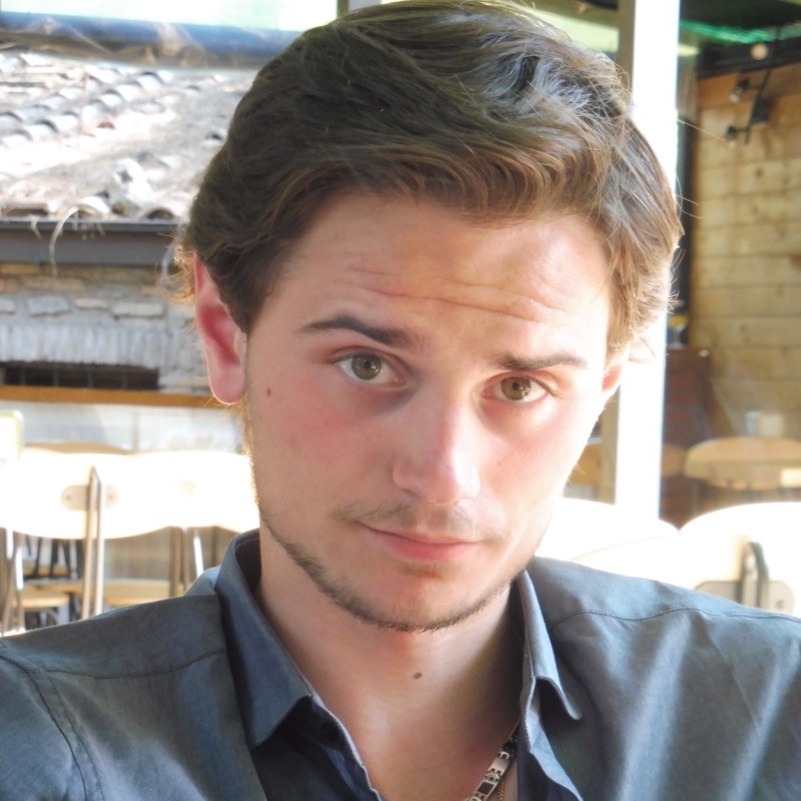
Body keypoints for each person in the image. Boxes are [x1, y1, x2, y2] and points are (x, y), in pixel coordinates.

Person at [1, 1, 799, 799]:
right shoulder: (40, 752)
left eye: (519, 386)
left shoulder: (765, 715)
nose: (442, 475)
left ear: (600, 388)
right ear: (225, 335)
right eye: (366, 364)